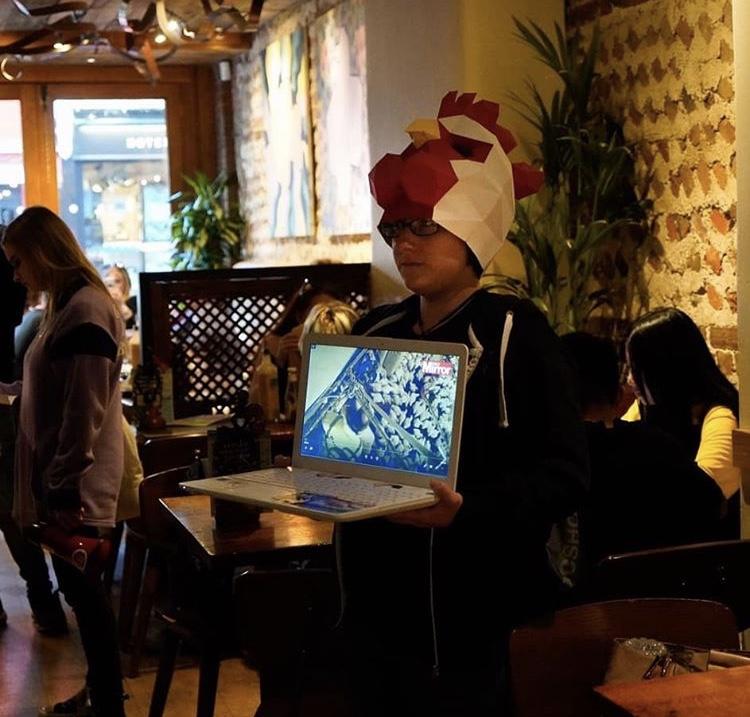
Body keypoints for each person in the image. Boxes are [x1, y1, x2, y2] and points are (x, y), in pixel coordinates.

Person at [339, 91, 589, 716]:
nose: (405, 244)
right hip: (378, 624)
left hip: (481, 627)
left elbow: (565, 475)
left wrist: (468, 511)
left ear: (472, 234)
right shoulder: (376, 330)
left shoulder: (515, 334)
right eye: (397, 228)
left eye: (426, 226)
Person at [1, 207, 126, 717]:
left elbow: (84, 409)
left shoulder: (86, 310)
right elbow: (52, 391)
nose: (16, 275)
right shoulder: (69, 305)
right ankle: (100, 692)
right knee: (83, 599)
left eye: (18, 261)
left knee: (88, 602)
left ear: (41, 253)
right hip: (68, 480)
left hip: (79, 487)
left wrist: (62, 487)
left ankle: (109, 701)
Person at [561, 332, 726, 572]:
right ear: (618, 395)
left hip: (586, 606)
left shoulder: (552, 462)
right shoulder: (658, 444)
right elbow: (715, 506)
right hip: (673, 599)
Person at [624, 308, 740, 538]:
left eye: (637, 371)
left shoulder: (719, 417)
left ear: (664, 370)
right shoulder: (648, 408)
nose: (629, 380)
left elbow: (699, 501)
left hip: (707, 550)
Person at [0, 251, 66, 635]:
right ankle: (45, 603)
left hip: (5, 401)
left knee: (9, 505)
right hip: (6, 397)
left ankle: (44, 602)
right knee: (10, 507)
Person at [103, 264, 137, 330]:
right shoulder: (103, 304)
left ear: (126, 282)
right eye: (109, 282)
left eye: (117, 281)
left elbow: (131, 323)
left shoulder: (133, 301)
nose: (113, 285)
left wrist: (120, 304)